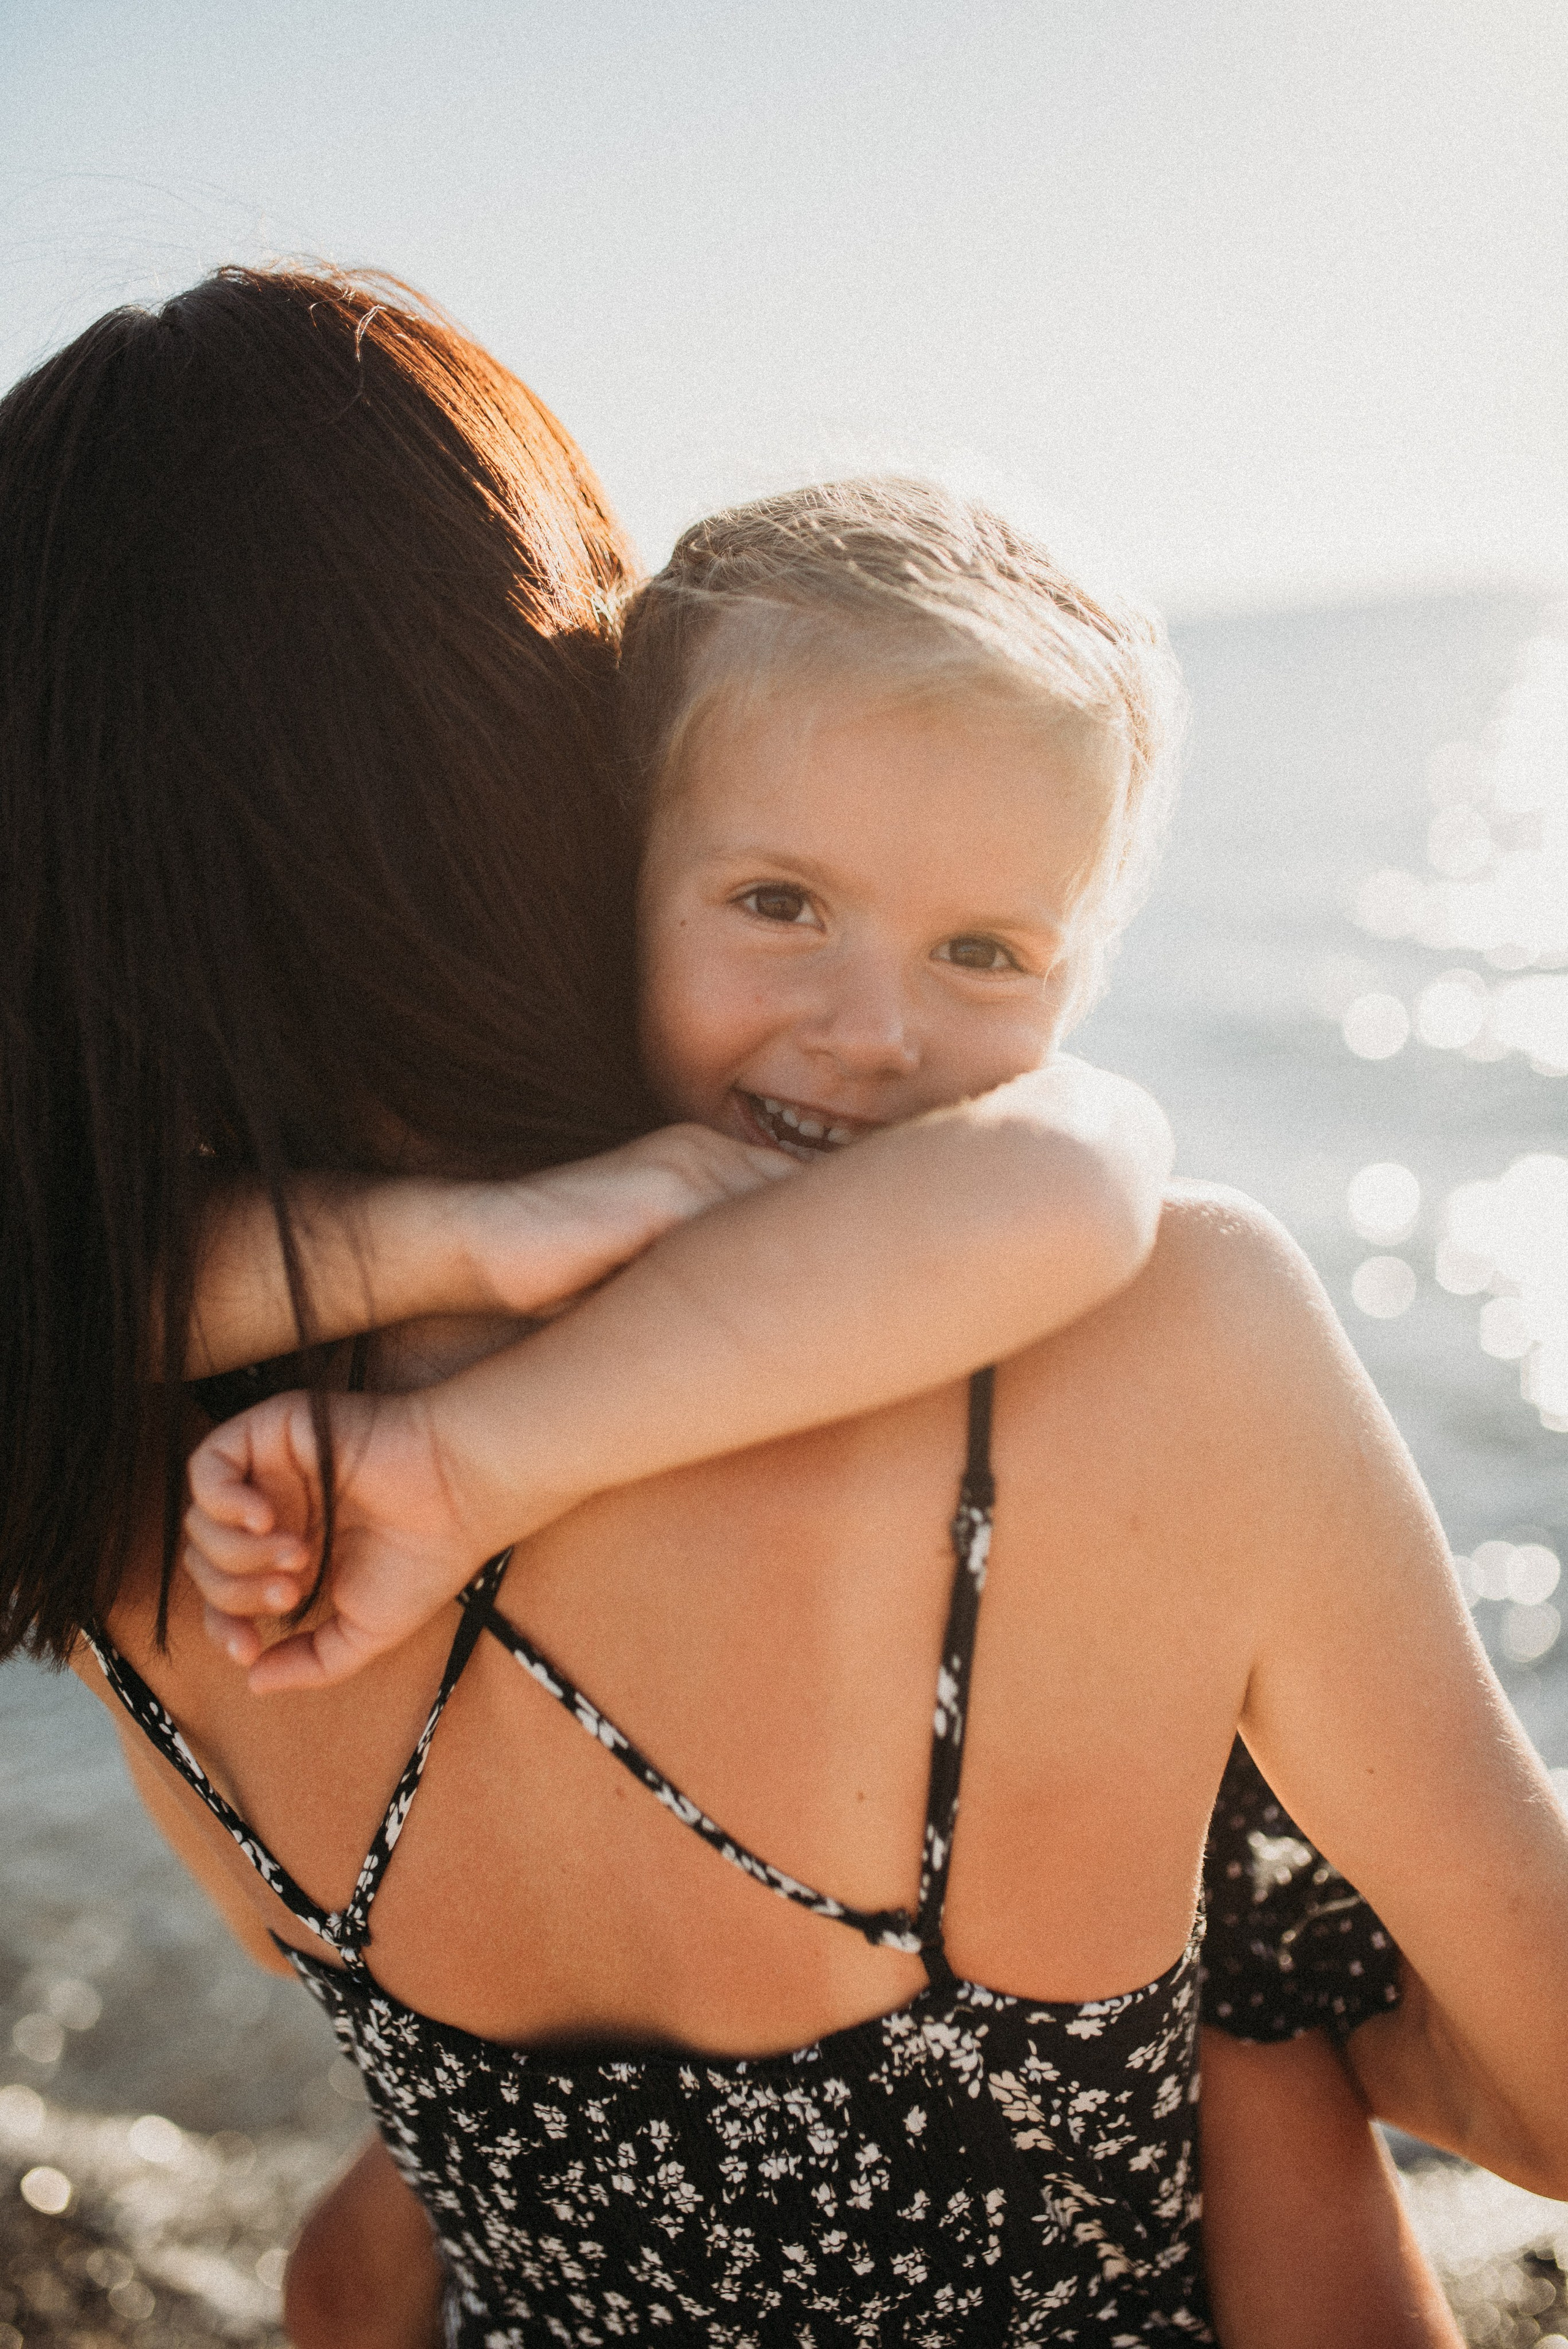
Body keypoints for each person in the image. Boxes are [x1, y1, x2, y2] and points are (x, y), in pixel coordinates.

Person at [175, 467, 1558, 2342]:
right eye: (780, 902)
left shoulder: (258, 1380)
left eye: (985, 952)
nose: (873, 1029)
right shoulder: (1153, 1374)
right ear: (610, 882)